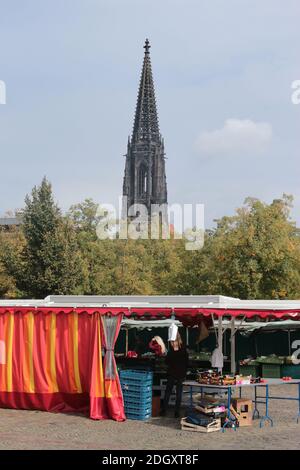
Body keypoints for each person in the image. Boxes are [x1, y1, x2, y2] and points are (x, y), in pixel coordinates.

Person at [160, 332, 189, 418]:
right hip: (180, 373)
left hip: (172, 373)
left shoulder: (171, 351)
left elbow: (167, 362)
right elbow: (187, 362)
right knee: (178, 393)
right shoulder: (183, 350)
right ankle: (177, 412)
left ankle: (164, 410)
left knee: (168, 392)